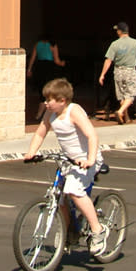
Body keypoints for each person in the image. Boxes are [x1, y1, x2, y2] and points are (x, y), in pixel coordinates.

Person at [23, 77, 108, 256]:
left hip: (86, 159)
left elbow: (92, 136)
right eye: (45, 100)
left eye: (49, 100)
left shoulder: (73, 112)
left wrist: (90, 160)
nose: (46, 103)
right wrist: (31, 152)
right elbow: (40, 132)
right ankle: (69, 232)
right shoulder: (50, 113)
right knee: (59, 197)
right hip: (68, 160)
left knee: (73, 190)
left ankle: (97, 229)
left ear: (62, 101)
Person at [98, 21, 136, 125]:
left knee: (122, 95)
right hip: (130, 71)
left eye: (117, 30)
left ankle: (126, 117)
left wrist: (102, 74)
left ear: (120, 31)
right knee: (131, 95)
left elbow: (108, 60)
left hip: (118, 71)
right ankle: (120, 111)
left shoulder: (115, 44)